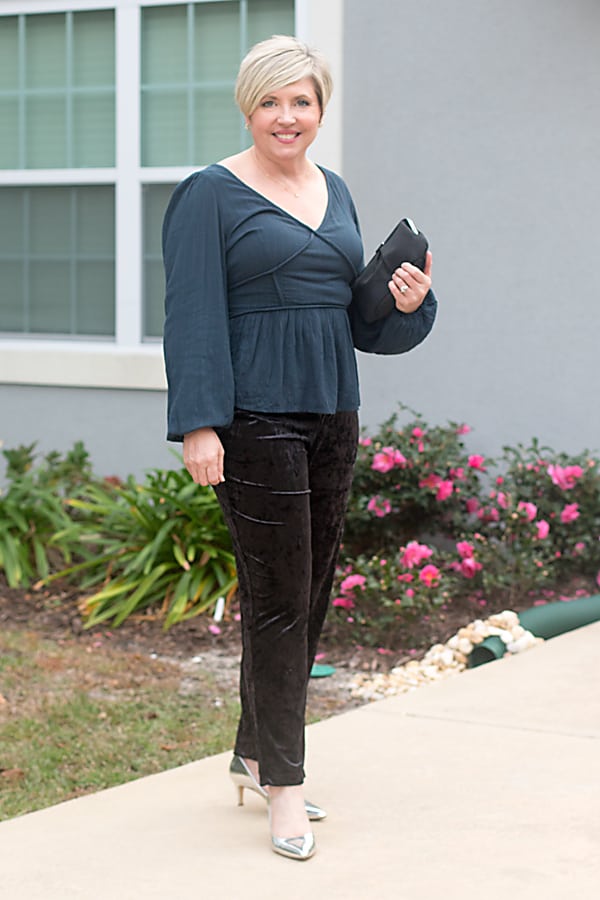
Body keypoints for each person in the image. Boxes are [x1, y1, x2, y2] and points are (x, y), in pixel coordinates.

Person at [162, 34, 436, 861]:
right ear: (250, 107)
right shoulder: (208, 194)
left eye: (303, 101)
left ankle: (253, 753)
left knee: (309, 594)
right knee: (279, 600)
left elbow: (356, 323)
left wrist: (405, 299)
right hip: (254, 417)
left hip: (331, 410)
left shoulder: (335, 188)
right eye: (272, 101)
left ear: (320, 109)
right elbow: (191, 312)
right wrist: (200, 423)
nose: (288, 116)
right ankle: (285, 785)